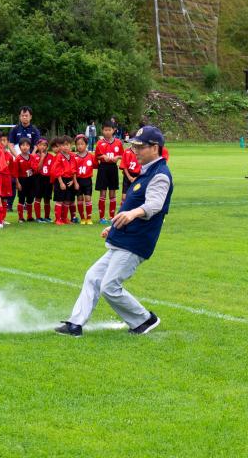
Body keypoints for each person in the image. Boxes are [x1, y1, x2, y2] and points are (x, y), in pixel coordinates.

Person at [55, 126, 173, 337]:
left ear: (155, 148)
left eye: (140, 147)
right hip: (123, 238)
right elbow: (130, 209)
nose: (135, 151)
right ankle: (75, 324)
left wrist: (133, 214)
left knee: (109, 286)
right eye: (134, 146)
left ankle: (145, 319)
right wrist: (116, 223)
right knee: (92, 277)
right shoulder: (146, 172)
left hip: (135, 243)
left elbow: (154, 205)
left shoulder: (161, 175)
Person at [95, 120, 123, 224]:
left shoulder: (118, 142)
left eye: (109, 130)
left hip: (113, 168)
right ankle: (102, 218)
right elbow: (96, 156)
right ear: (102, 130)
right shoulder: (99, 143)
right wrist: (103, 156)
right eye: (105, 130)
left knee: (112, 192)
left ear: (113, 130)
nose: (107, 132)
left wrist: (117, 157)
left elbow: (122, 155)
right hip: (103, 168)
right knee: (103, 193)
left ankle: (112, 217)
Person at [49, 135, 77, 225]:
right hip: (61, 180)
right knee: (60, 200)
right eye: (63, 145)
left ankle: (64, 218)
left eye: (68, 145)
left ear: (71, 145)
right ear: (60, 146)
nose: (66, 147)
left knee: (67, 200)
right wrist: (61, 183)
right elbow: (56, 170)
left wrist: (73, 181)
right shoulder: (59, 156)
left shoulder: (72, 156)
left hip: (69, 180)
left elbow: (74, 170)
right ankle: (58, 219)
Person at [14, 137, 39, 223]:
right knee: (21, 198)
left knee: (30, 198)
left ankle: (29, 216)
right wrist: (18, 183)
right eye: (23, 145)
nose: (25, 147)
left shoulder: (32, 157)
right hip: (22, 180)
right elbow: (15, 173)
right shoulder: (18, 159)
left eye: (27, 145)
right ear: (20, 147)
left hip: (31, 180)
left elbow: (36, 168)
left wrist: (33, 168)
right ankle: (20, 217)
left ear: (29, 147)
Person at [74, 134, 96, 225]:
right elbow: (73, 171)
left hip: (87, 180)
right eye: (78, 144)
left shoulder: (91, 156)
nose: (80, 146)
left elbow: (96, 165)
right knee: (79, 199)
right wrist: (75, 182)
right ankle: (82, 218)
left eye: (82, 144)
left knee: (88, 199)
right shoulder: (74, 157)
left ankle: (89, 218)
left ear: (86, 144)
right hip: (78, 181)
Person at [34, 138, 54, 223]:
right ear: (37, 146)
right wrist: (42, 158)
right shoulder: (35, 157)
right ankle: (38, 217)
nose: (43, 147)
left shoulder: (51, 156)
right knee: (38, 198)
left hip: (48, 180)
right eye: (41, 145)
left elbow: (53, 170)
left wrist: (53, 183)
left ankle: (47, 217)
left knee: (47, 199)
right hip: (39, 178)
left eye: (45, 145)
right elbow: (37, 170)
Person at [120, 138, 141, 205]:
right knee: (124, 197)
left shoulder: (141, 152)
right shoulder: (127, 151)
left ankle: (134, 214)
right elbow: (124, 166)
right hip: (127, 175)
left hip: (138, 176)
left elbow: (143, 167)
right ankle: (122, 212)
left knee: (135, 196)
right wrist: (129, 177)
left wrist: (136, 177)